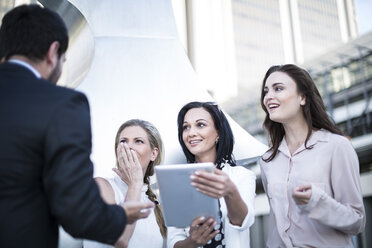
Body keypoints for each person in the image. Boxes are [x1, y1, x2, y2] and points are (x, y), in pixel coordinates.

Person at [0, 5, 153, 248]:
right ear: (54, 52)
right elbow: (78, 212)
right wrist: (123, 213)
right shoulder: (61, 105)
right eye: (123, 140)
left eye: (138, 141)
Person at [259, 64, 366, 247]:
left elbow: (357, 221)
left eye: (278, 88)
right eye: (266, 91)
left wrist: (317, 201)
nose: (269, 97)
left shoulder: (337, 147)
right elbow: (275, 229)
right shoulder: (267, 160)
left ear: (302, 97)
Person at [167, 101, 256, 248]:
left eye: (200, 125)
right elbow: (173, 242)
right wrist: (192, 241)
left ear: (219, 132)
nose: (191, 133)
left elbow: (243, 222)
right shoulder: (176, 182)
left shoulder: (241, 176)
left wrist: (230, 192)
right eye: (186, 127)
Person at [84, 119, 167, 248]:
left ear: (153, 153)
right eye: (123, 141)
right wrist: (134, 185)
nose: (128, 147)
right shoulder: (101, 186)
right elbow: (120, 241)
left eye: (138, 141)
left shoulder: (155, 204)